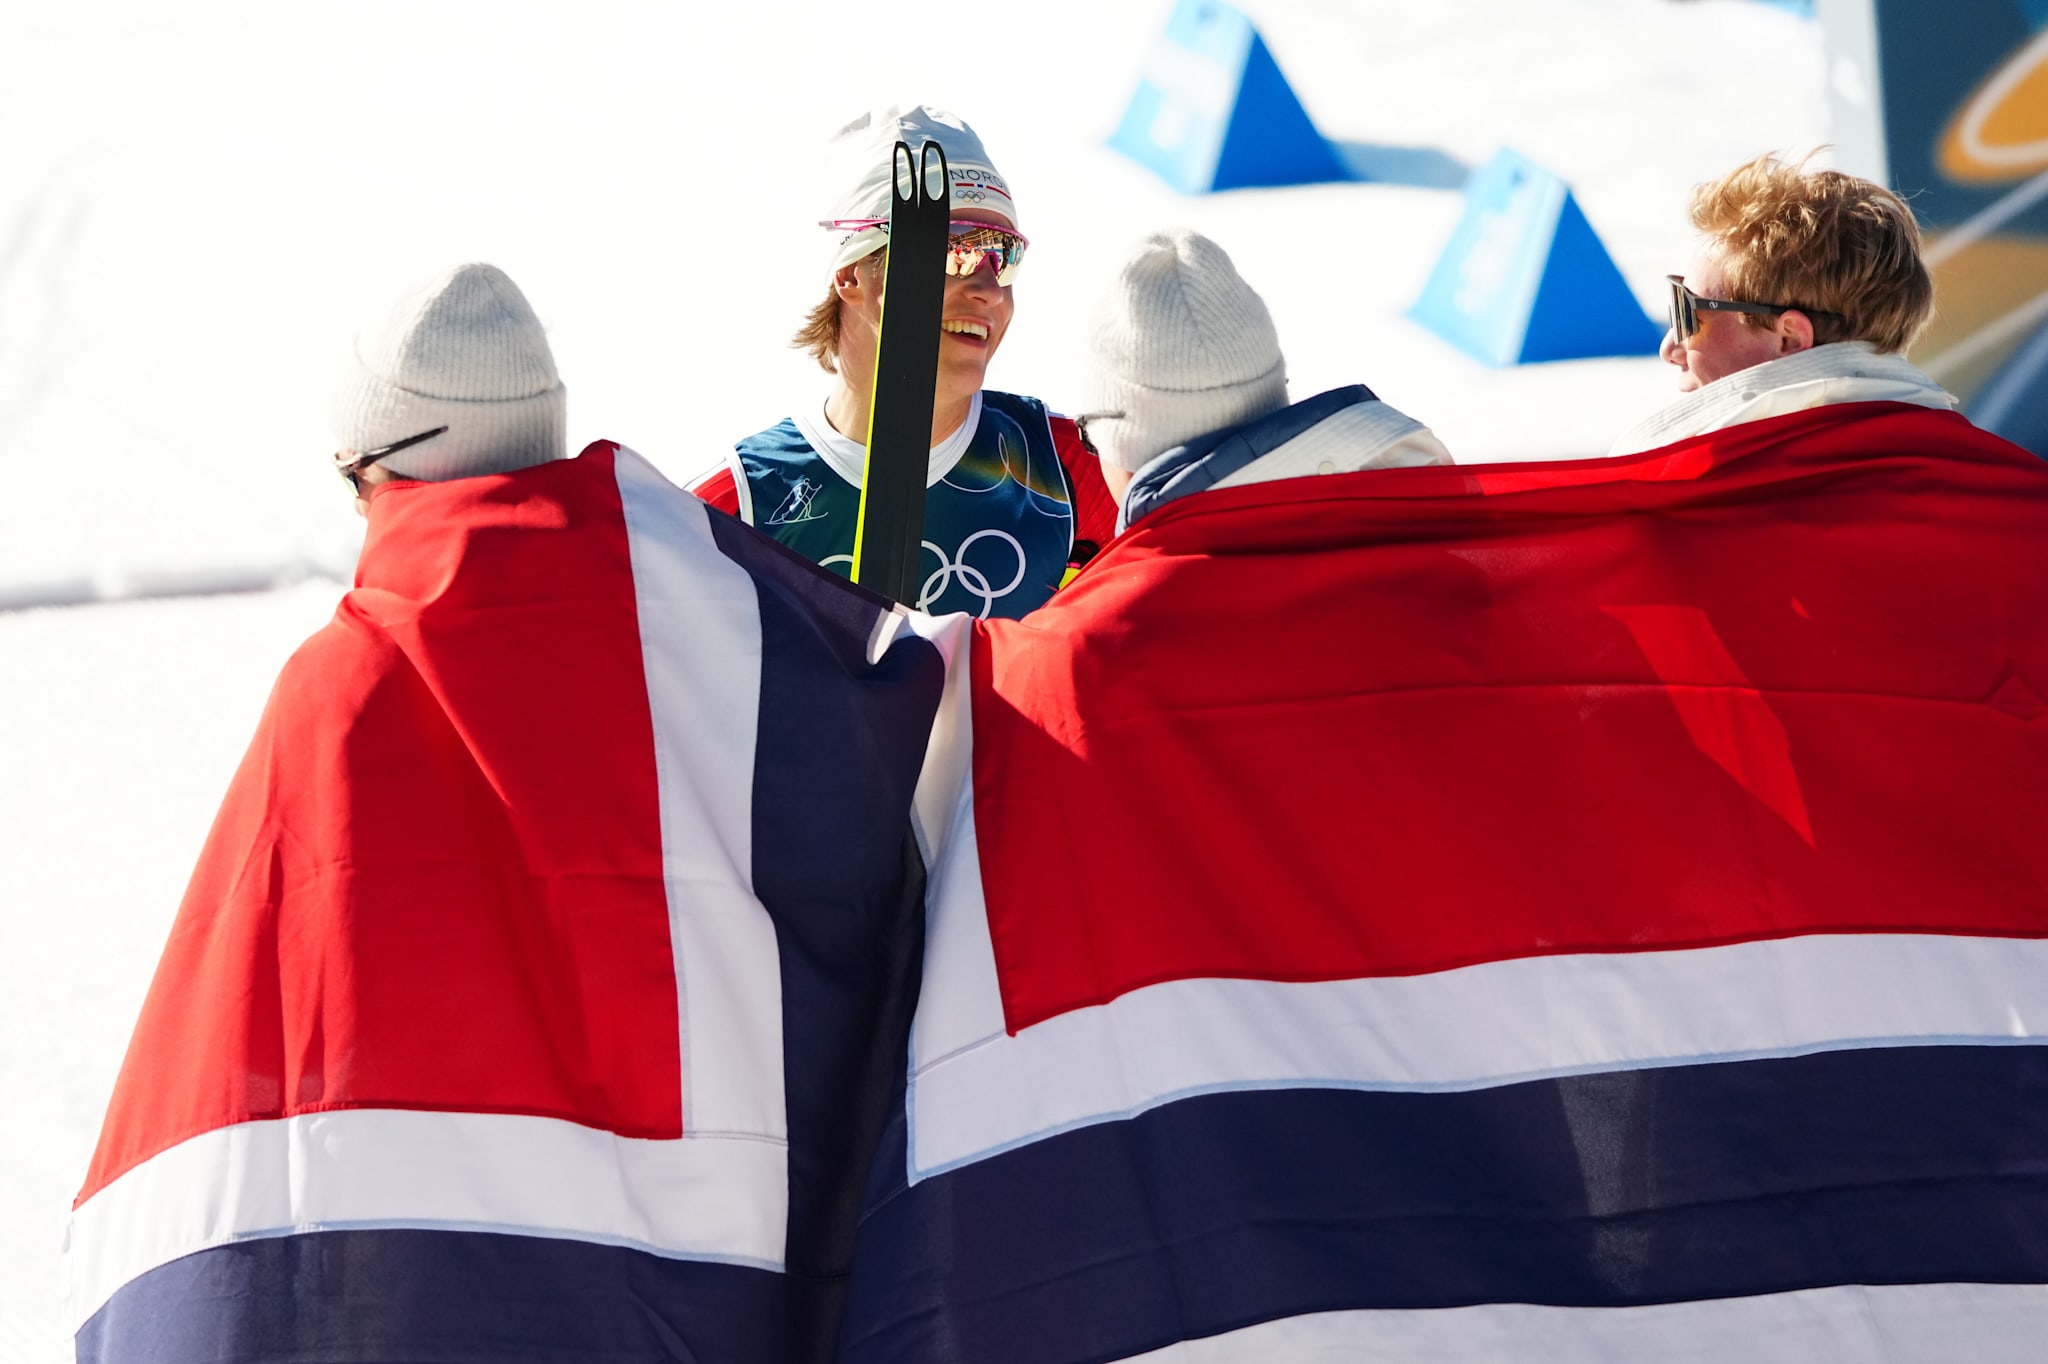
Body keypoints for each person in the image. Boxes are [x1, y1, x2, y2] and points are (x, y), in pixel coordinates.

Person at [830, 229, 2048, 1362]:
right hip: (1610, 1154)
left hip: (1275, 1202)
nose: (1668, 340)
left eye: (1690, 311)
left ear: (1113, 433)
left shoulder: (1072, 666)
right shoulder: (1480, 572)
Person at [73, 261, 947, 1363]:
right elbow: (884, 855)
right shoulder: (735, 642)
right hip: (705, 1300)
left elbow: (238, 1081)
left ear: (381, 471)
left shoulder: (339, 690)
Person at [692, 105, 1117, 620]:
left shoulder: (1076, 471)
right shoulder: (737, 507)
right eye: (955, 250)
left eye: (1002, 256)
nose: (987, 290)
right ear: (853, 274)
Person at [1612, 151, 1949, 455]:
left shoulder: (1709, 511)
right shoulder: (1985, 481)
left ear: (1789, 336)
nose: (1670, 348)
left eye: (1688, 311)